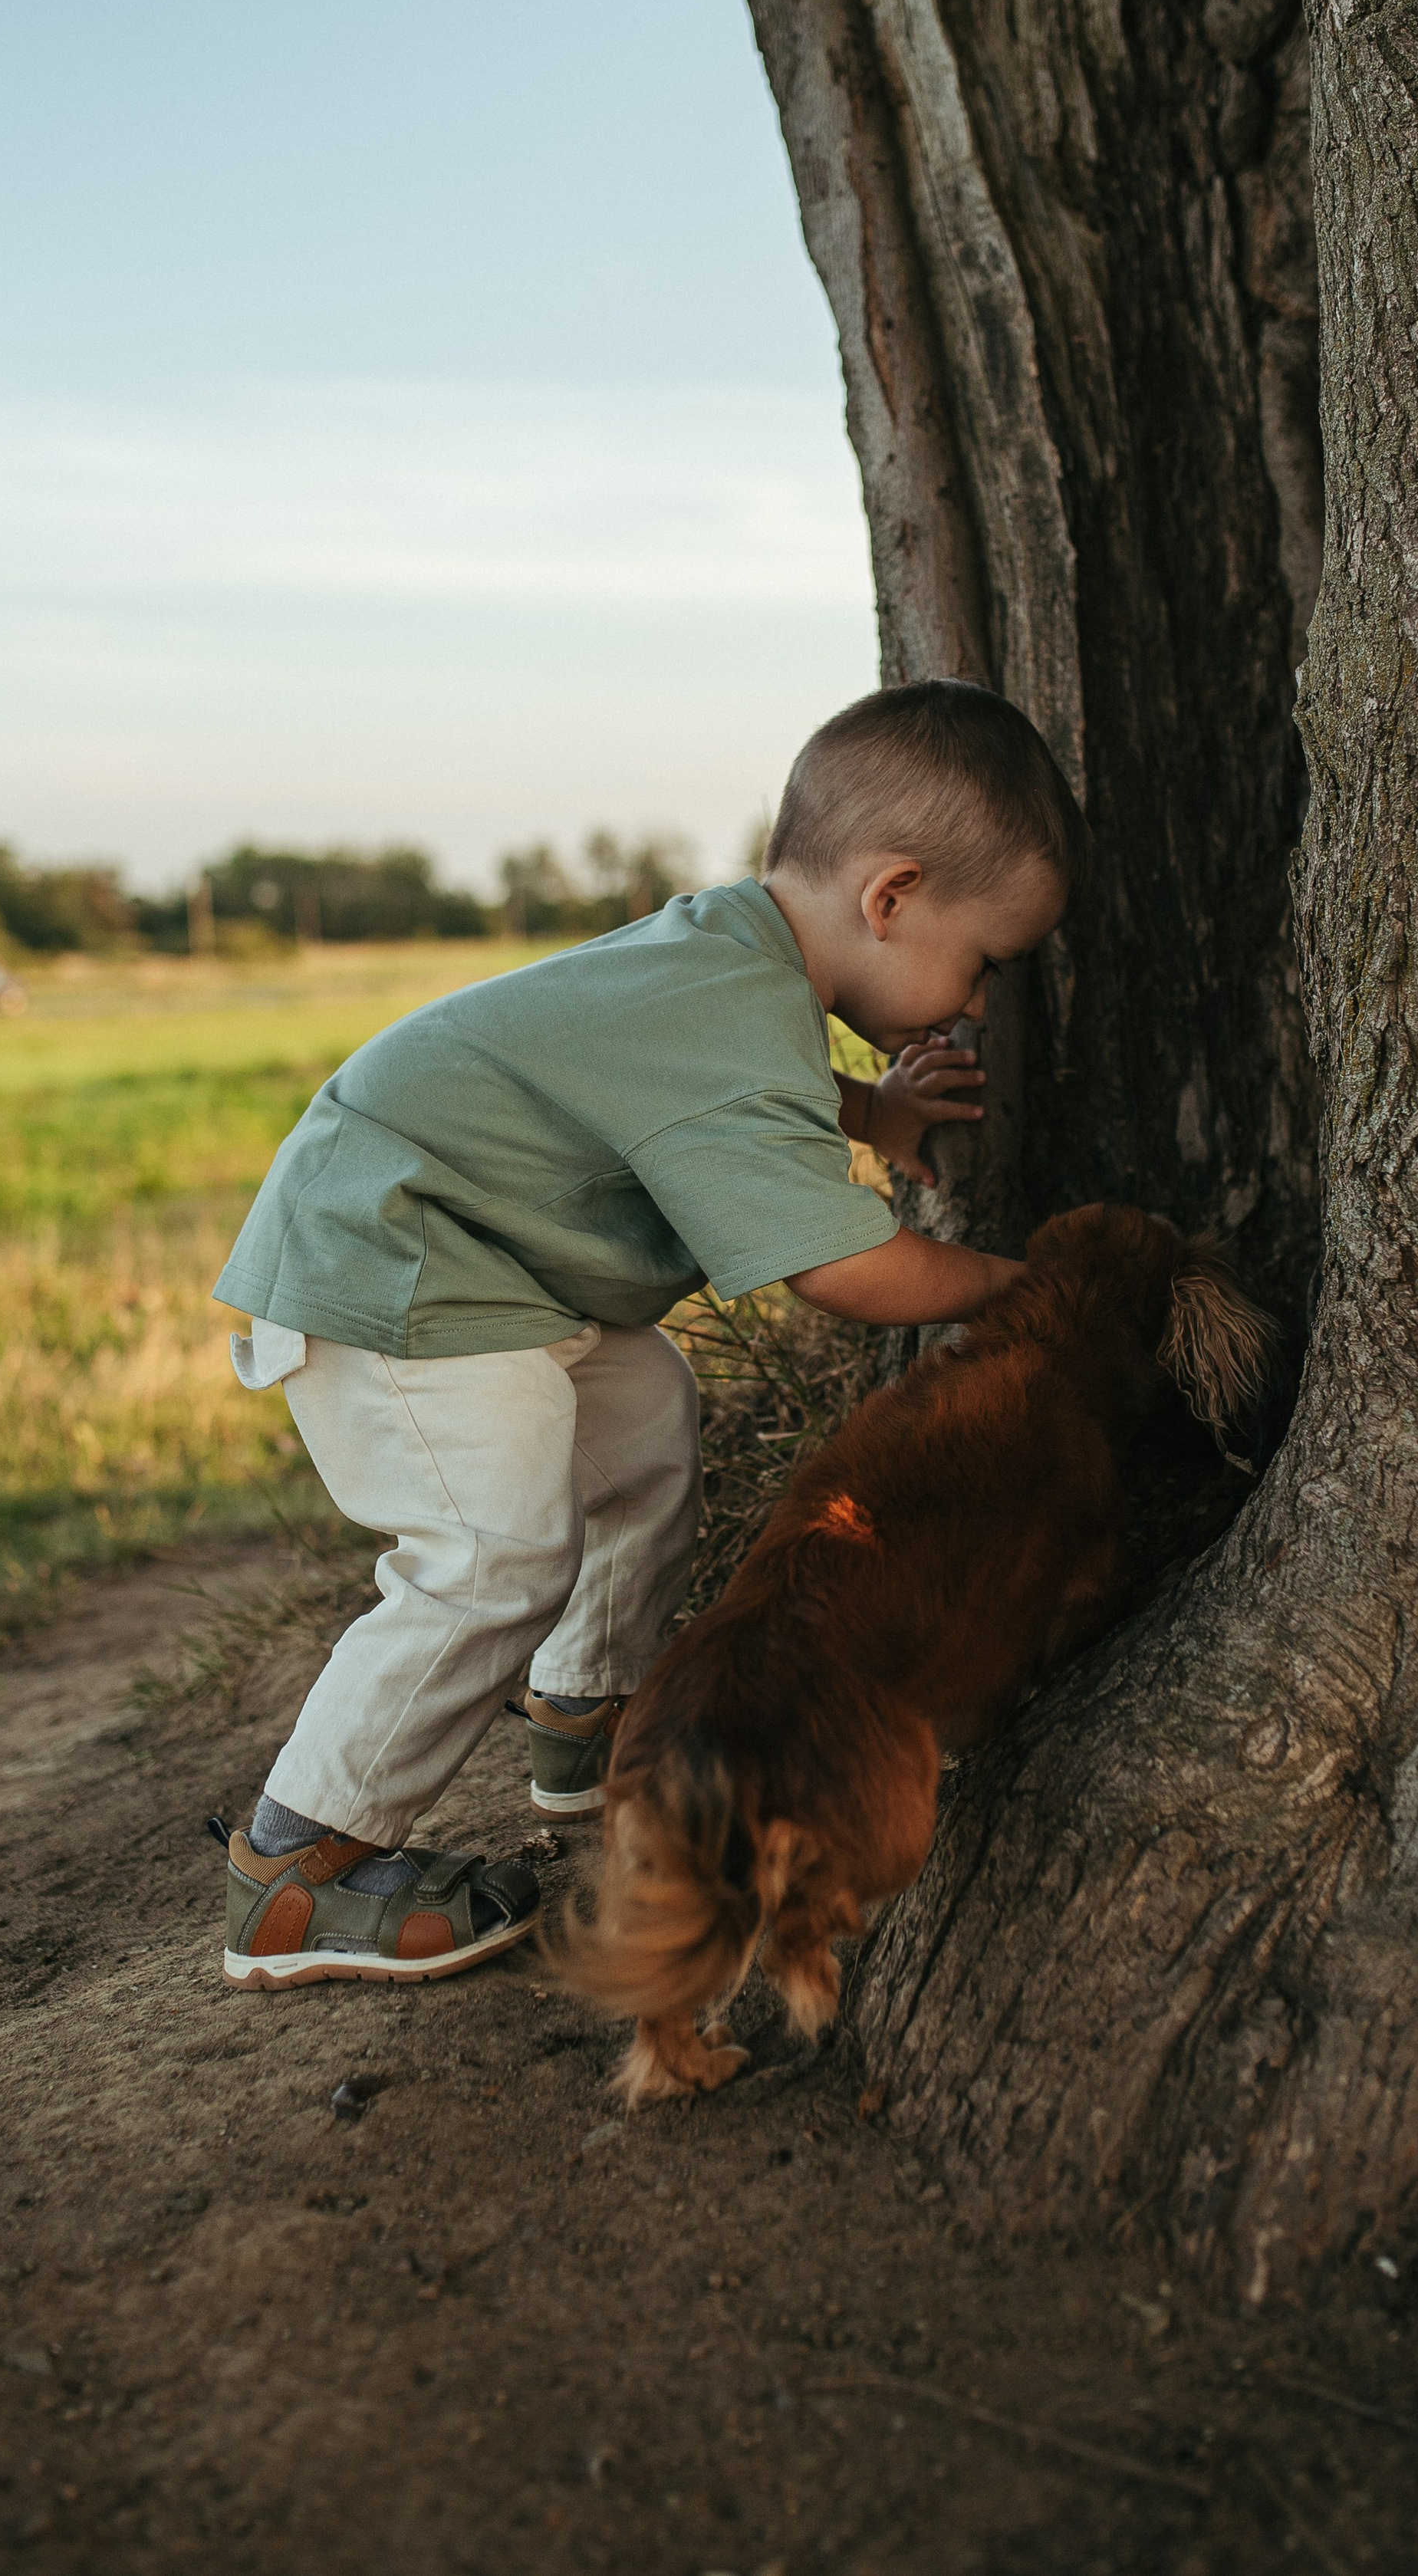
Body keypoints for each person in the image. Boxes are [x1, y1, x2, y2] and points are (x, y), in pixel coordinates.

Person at [211, 678, 1085, 1988]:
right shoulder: (735, 1010)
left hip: (480, 1272)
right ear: (890, 899)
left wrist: (875, 1118)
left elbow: (724, 1085)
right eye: (985, 961)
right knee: (494, 1552)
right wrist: (1018, 1286)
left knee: (643, 1433)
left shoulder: (733, 959)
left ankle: (583, 1715)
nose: (976, 1004)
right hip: (395, 1272)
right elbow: (841, 1268)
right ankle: (303, 1864)